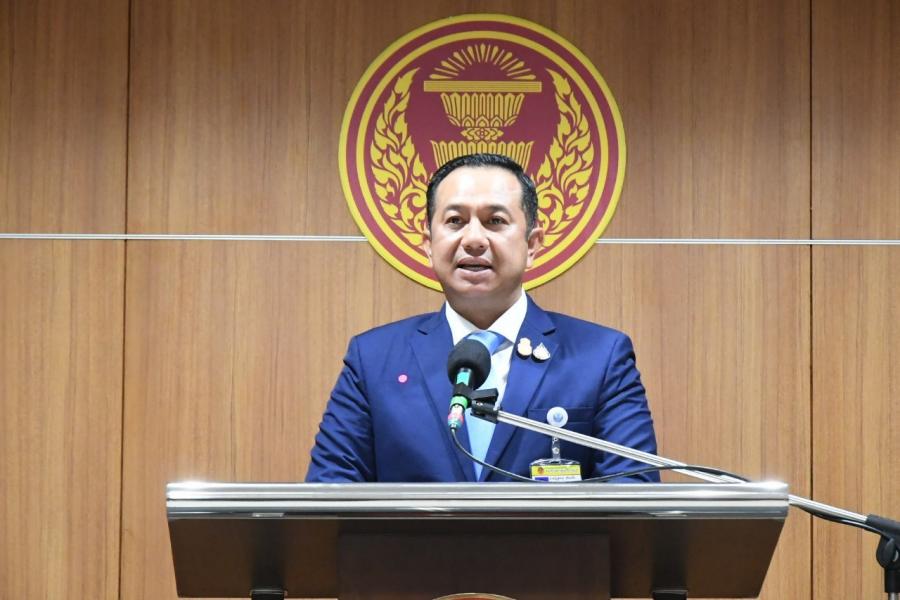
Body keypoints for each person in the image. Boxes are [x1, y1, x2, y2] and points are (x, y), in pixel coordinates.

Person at [305, 153, 658, 483]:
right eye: (455, 221)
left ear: (532, 244)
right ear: (428, 243)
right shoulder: (373, 359)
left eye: (495, 221)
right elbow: (328, 493)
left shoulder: (600, 357)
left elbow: (634, 495)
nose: (474, 239)